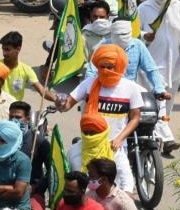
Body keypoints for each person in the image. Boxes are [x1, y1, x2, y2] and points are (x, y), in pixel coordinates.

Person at [56, 45, 142, 193]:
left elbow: (135, 118)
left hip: (113, 146)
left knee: (123, 187)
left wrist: (120, 138)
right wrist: (60, 103)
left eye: (110, 67)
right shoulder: (89, 83)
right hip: (88, 145)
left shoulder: (131, 88)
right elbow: (68, 104)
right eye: (102, 66)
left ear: (119, 66)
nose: (106, 70)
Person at [139, 0, 180, 156]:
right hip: (152, 65)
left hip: (175, 64)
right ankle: (167, 138)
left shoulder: (176, 5)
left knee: (168, 102)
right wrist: (144, 35)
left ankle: (159, 133)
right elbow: (134, 34)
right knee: (160, 100)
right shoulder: (144, 9)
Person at [0, 31, 53, 102]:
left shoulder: (26, 70)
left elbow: (42, 90)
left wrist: (56, 99)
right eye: (3, 49)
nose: (4, 53)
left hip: (16, 109)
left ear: (18, 49)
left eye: (7, 50)